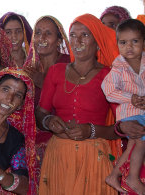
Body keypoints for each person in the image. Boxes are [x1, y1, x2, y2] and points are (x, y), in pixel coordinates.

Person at [36, 14, 120, 194]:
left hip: (93, 157)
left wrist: (91, 130)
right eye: (73, 35)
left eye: (85, 35)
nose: (77, 40)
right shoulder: (55, 71)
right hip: (58, 155)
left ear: (97, 43)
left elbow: (121, 128)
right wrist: (48, 121)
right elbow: (40, 113)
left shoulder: (109, 75)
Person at [22, 15, 71, 188]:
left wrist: (43, 83)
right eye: (38, 33)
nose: (41, 38)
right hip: (33, 139)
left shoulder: (69, 65)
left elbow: (72, 103)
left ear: (59, 40)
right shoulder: (29, 67)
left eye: (48, 33)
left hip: (62, 137)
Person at [102, 19, 145, 195]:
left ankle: (114, 175)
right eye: (123, 42)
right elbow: (108, 90)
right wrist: (131, 98)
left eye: (134, 41)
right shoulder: (118, 67)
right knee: (141, 141)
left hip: (142, 111)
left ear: (144, 42)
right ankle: (132, 178)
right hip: (129, 113)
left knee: (133, 146)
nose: (129, 47)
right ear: (117, 44)